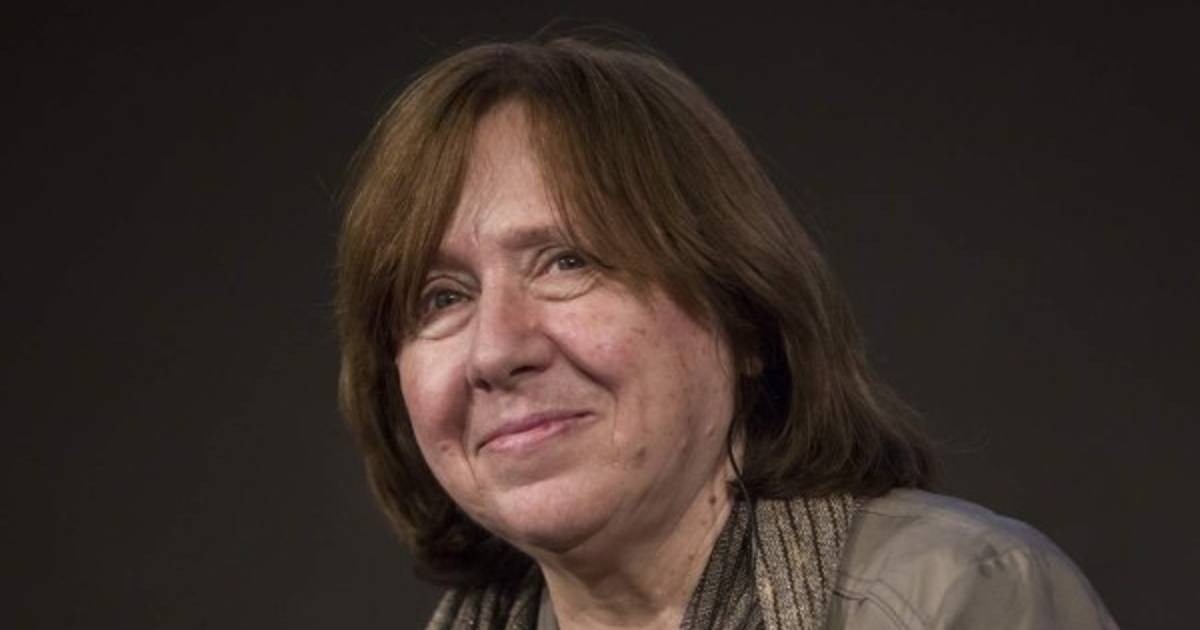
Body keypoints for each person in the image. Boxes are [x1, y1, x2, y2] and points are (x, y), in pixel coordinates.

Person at [335, 35, 1118, 629]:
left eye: (568, 261)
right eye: (441, 298)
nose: (497, 349)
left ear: (742, 316)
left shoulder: (952, 600)